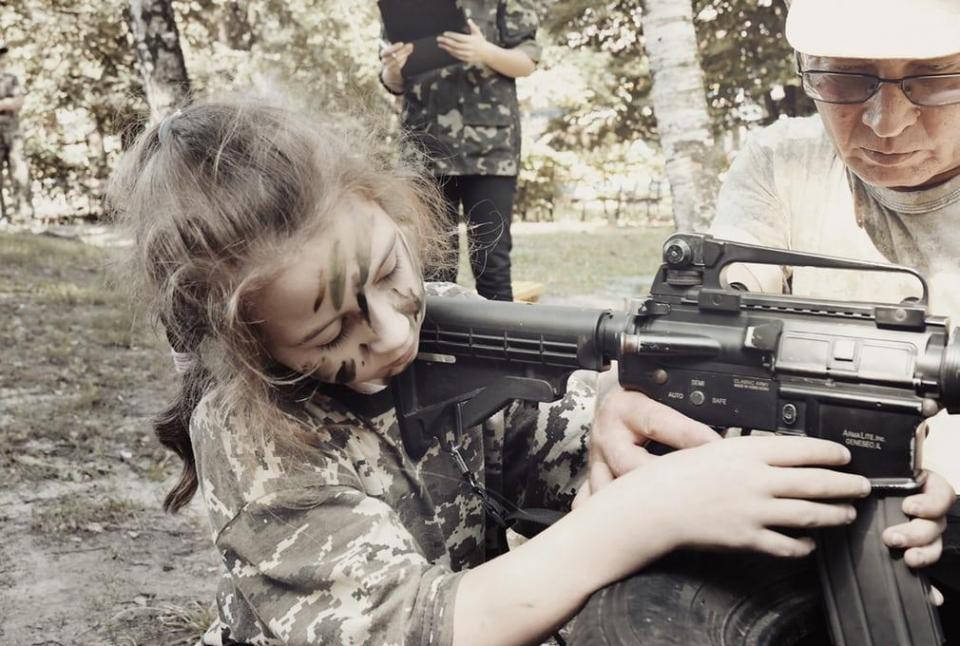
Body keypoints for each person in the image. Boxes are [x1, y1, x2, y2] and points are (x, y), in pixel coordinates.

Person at [109, 94, 890, 646]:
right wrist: (642, 513)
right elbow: (419, 628)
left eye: (390, 272)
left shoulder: (445, 328)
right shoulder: (255, 434)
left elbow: (563, 456)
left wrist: (622, 422)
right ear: (248, 344)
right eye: (329, 329)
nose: (388, 334)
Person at [584, 0, 957, 621]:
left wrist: (938, 470)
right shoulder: (784, 164)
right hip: (793, 511)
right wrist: (633, 386)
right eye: (845, 77)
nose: (886, 122)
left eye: (936, 79)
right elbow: (709, 323)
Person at [379, 1, 540, 302]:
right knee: (432, 270)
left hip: (491, 152)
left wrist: (484, 51)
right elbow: (394, 83)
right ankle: (437, 350)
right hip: (424, 151)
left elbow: (527, 60)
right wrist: (391, 69)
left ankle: (496, 350)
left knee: (492, 266)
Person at [0, 42, 32, 223]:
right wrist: (6, 102)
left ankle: (24, 215)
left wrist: (7, 103)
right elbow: (10, 102)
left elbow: (17, 102)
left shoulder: (11, 78)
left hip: (12, 131)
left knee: (19, 170)